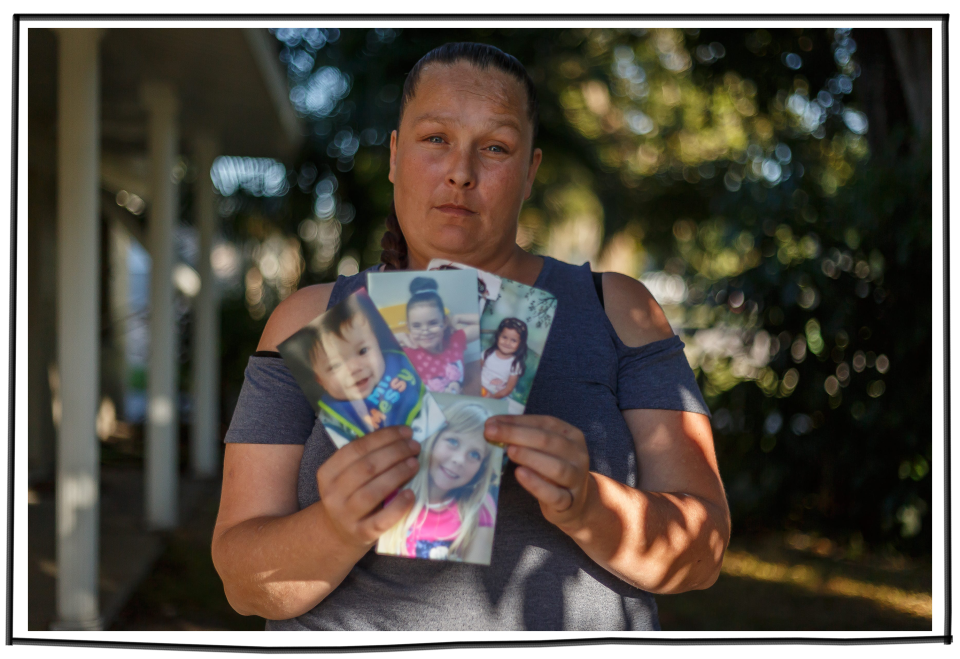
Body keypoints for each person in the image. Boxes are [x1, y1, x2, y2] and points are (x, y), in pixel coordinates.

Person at [214, 42, 730, 631]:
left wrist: (588, 505)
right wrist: (336, 526)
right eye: (435, 139)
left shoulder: (617, 310)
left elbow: (704, 550)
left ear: (530, 171)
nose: (461, 171)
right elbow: (242, 581)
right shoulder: (309, 321)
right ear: (394, 154)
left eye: (495, 147)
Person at [378, 401, 501, 564]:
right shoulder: (392, 490)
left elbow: (473, 578)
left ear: (480, 469)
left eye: (474, 454)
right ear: (433, 439)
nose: (459, 460)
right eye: (453, 441)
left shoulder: (479, 508)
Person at [308, 292, 424, 441]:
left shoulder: (400, 366)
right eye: (336, 365)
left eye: (363, 351)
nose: (354, 368)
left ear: (378, 346)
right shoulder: (333, 418)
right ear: (320, 381)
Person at [397, 276, 478, 394]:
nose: (425, 331)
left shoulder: (455, 340)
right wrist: (395, 336)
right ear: (409, 327)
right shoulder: (408, 352)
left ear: (444, 322)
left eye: (433, 323)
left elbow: (486, 324)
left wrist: (459, 317)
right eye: (416, 326)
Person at [480, 318, 527, 400]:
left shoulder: (515, 364)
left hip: (497, 395)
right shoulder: (487, 353)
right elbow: (475, 371)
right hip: (480, 388)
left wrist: (492, 397)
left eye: (513, 340)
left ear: (520, 344)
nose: (507, 343)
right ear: (498, 336)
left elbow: (508, 389)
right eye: (504, 337)